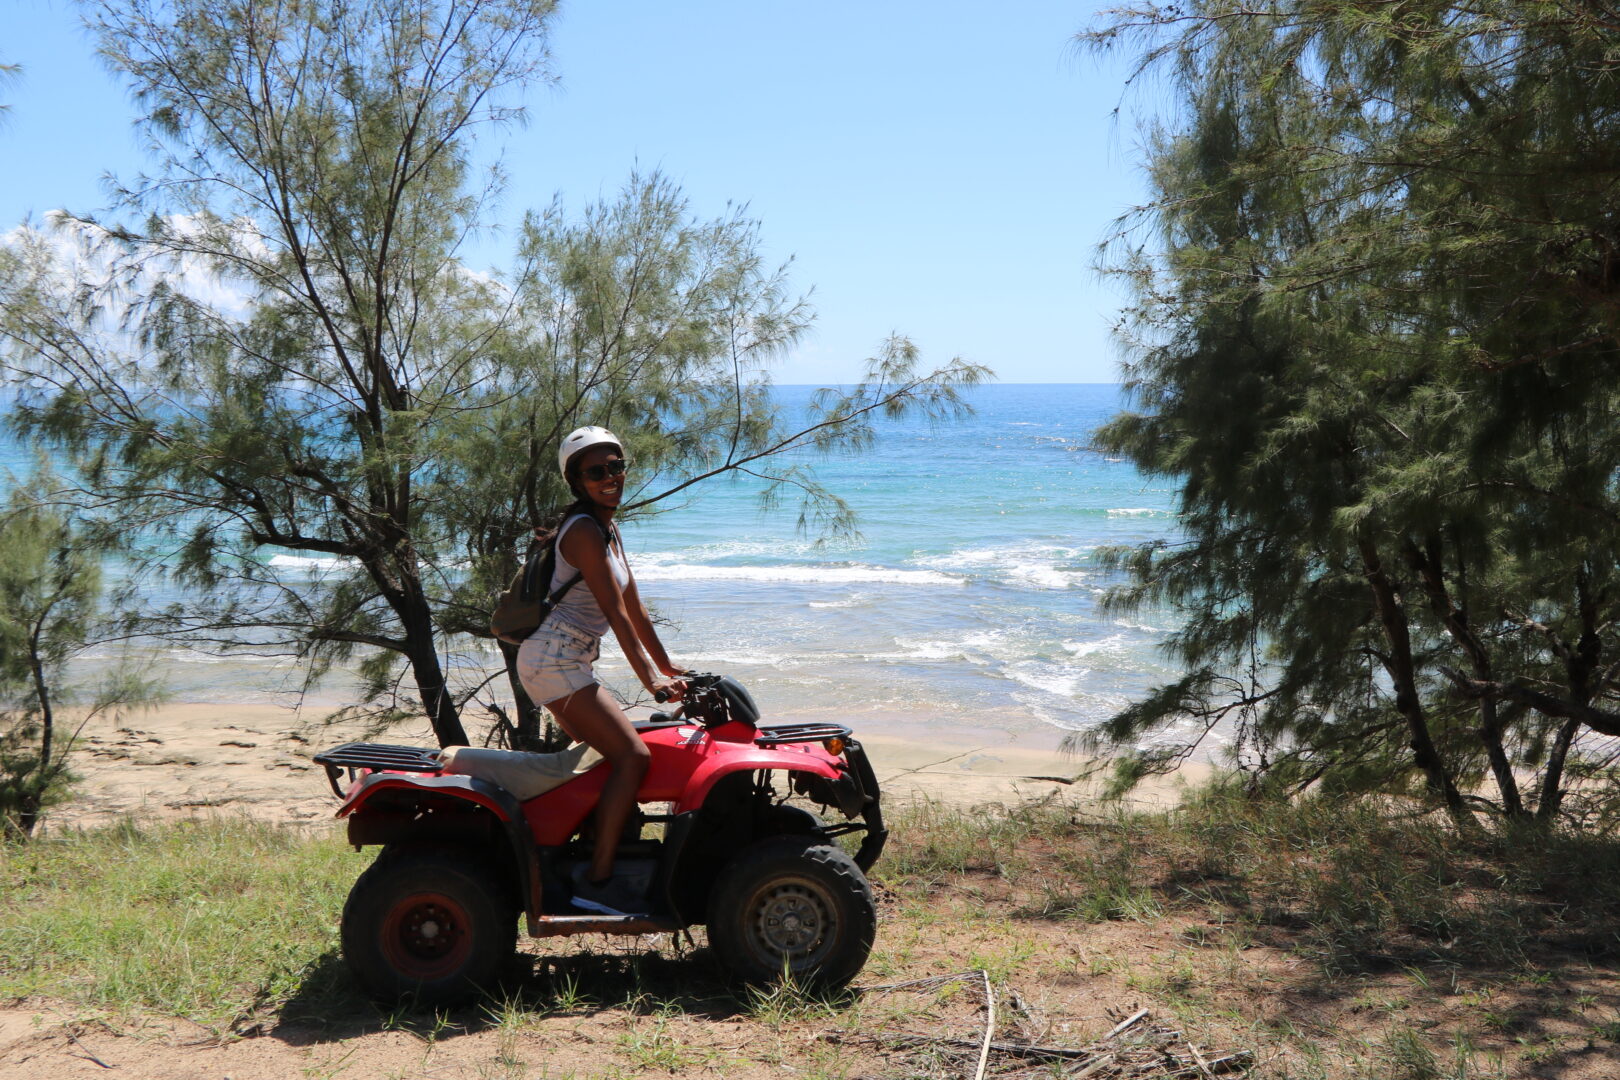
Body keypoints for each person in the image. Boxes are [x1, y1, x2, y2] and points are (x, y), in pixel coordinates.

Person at [516, 426, 687, 916]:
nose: (610, 477)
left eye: (616, 466)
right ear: (576, 480)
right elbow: (613, 612)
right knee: (631, 758)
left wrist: (669, 664)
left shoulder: (608, 528)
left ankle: (570, 860)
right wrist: (650, 680)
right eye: (597, 471)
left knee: (598, 762)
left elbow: (636, 610)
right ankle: (598, 880)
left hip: (564, 659)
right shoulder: (586, 532)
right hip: (554, 660)